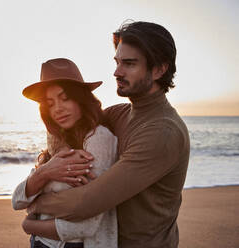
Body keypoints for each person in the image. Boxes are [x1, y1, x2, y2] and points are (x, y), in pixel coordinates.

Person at [27, 21, 190, 248]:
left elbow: (86, 203)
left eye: (129, 64)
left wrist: (32, 201)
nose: (117, 71)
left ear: (159, 69)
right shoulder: (118, 114)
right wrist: (52, 164)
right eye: (117, 62)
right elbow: (64, 126)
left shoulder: (162, 132)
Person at [12, 58, 118, 248]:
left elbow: (87, 225)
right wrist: (45, 172)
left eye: (65, 98)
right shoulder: (56, 144)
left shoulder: (98, 138)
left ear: (81, 99)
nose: (57, 109)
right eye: (50, 103)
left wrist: (30, 224)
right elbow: (17, 200)